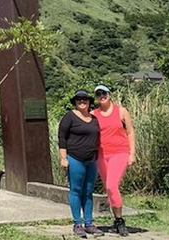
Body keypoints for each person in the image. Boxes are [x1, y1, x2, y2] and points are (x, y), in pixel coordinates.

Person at [58, 89, 104, 238]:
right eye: (79, 99)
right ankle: (77, 223)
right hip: (75, 158)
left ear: (89, 102)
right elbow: (62, 138)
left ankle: (89, 223)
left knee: (88, 192)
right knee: (76, 190)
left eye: (85, 99)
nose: (82, 101)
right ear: (75, 102)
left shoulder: (94, 118)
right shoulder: (69, 117)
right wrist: (63, 158)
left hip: (91, 160)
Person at [92, 84, 136, 237]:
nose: (101, 96)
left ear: (109, 94)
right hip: (102, 155)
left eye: (104, 93)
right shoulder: (94, 114)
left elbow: (130, 132)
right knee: (109, 188)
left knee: (111, 185)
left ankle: (120, 220)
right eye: (98, 94)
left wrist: (132, 154)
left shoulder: (121, 111)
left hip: (120, 152)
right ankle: (116, 221)